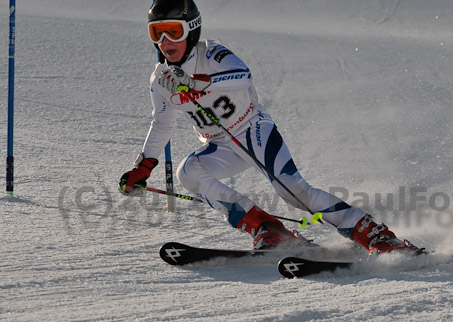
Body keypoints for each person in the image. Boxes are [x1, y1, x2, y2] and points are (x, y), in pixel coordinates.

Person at [119, 0, 422, 255]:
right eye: (157, 33)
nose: (165, 42)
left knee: (293, 191)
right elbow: (162, 123)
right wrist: (144, 166)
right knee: (189, 172)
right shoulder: (160, 79)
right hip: (221, 146)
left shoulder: (213, 54)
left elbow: (243, 76)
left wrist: (199, 83)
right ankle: (268, 229)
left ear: (192, 30)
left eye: (174, 32)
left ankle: (375, 235)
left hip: (253, 130)